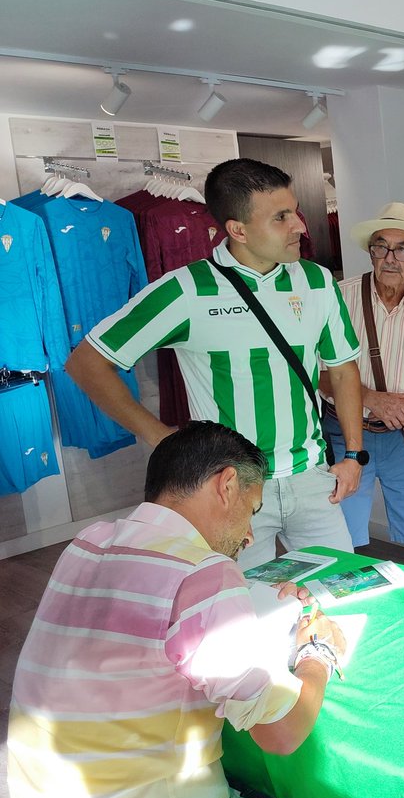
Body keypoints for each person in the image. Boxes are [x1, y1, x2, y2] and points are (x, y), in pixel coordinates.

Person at [8, 420, 348, 798]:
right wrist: (318, 653)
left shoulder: (88, 541)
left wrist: (246, 601)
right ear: (227, 485)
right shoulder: (203, 571)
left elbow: (140, 630)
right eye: (252, 510)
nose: (248, 536)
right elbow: (282, 734)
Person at [65, 158, 363, 571]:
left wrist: (354, 454)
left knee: (341, 590)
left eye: (294, 212)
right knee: (236, 602)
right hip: (229, 487)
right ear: (237, 230)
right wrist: (161, 438)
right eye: (281, 217)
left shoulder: (317, 281)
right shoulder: (186, 290)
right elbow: (87, 363)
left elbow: (343, 370)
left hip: (313, 479)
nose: (299, 226)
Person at [319, 202, 404, 571]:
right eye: (381, 247)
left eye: (402, 249)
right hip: (346, 432)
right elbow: (316, 374)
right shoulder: (339, 299)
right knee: (338, 531)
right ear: (370, 252)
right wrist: (370, 398)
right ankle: (344, 602)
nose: (391, 258)